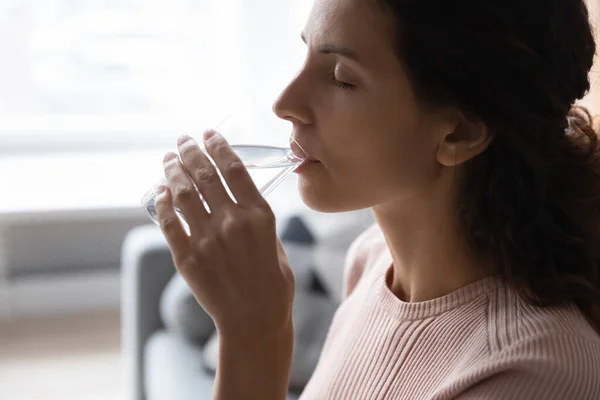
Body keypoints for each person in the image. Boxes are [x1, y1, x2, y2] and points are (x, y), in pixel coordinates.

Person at [152, 0, 600, 398]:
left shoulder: (529, 373)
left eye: (342, 78)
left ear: (459, 132)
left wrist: (254, 336)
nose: (285, 103)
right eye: (306, 53)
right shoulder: (370, 261)